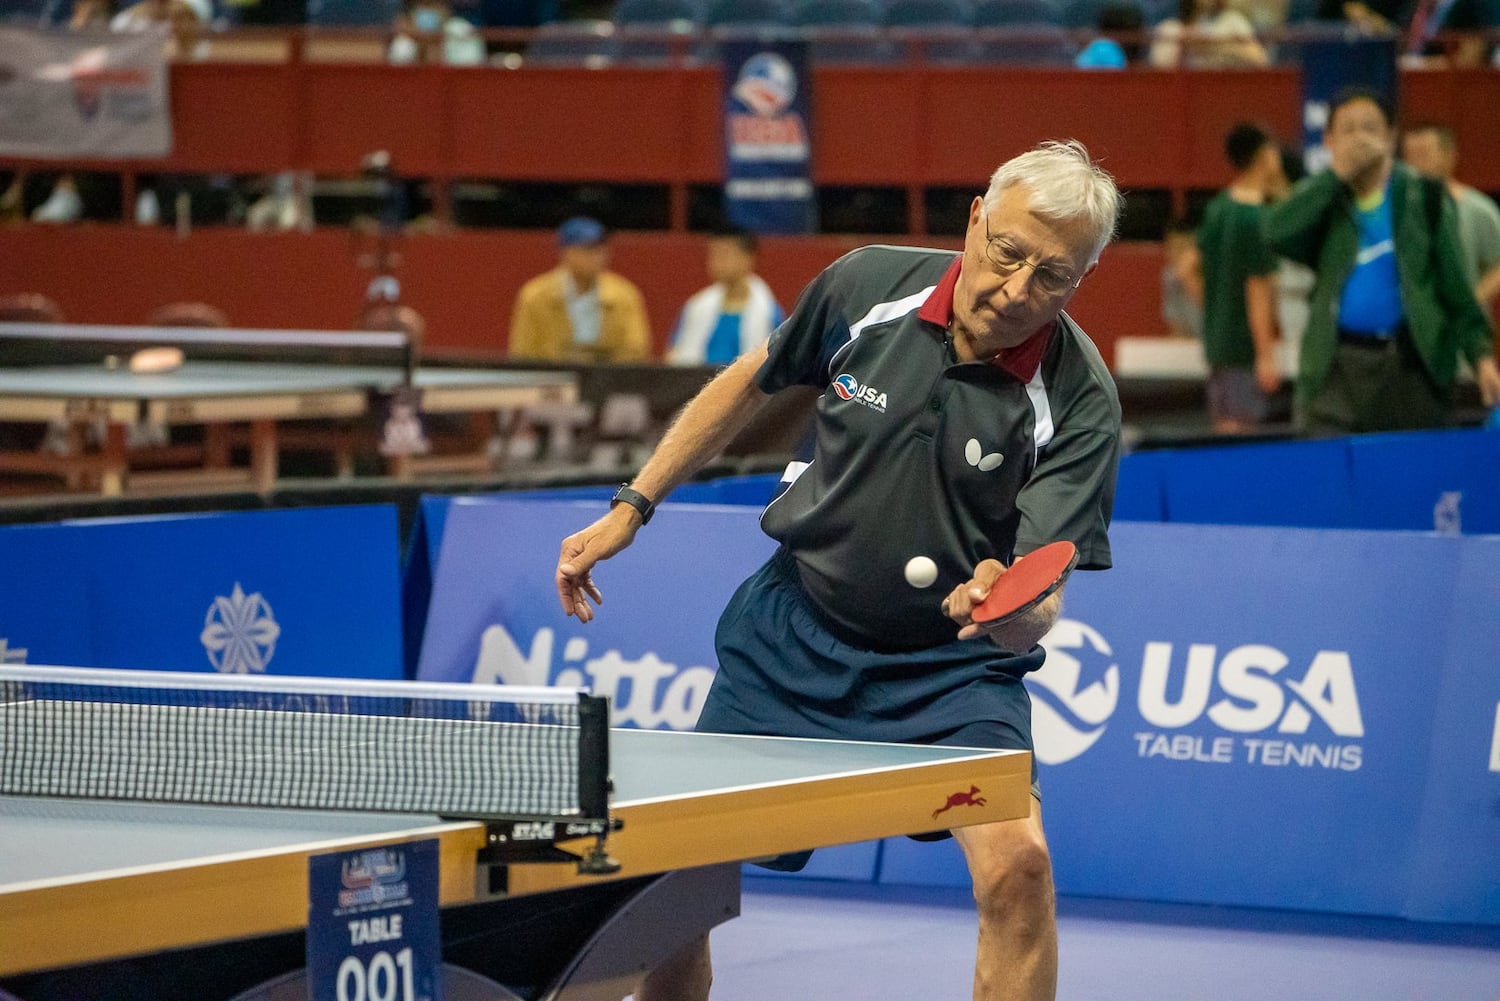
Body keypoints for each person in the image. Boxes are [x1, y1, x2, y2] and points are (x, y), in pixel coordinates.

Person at [554, 140, 1123, 1001]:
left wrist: (1006, 612)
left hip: (952, 672)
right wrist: (634, 502)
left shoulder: (1079, 398)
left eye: (1053, 276)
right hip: (794, 634)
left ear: (1082, 279)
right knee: (673, 877)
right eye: (1007, 253)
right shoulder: (868, 286)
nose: (1016, 291)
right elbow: (755, 378)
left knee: (1020, 869)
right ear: (974, 220)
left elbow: (1041, 595)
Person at [1264, 88, 1500, 434]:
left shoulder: (1425, 197)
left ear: (1391, 138)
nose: (1359, 138)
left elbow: (1457, 289)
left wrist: (1481, 358)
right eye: (1348, 129)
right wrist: (1334, 176)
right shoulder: (1322, 199)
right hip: (1334, 372)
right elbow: (1274, 233)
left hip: (1409, 371)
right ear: (1328, 140)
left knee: (1407, 482)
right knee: (1329, 478)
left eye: (1370, 128)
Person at [1196, 122, 1286, 433]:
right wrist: (1265, 355)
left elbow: (1191, 266)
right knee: (1243, 438)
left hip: (1217, 345)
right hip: (1244, 351)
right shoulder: (1259, 219)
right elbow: (1257, 289)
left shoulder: (1218, 208)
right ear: (1264, 156)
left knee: (1223, 432)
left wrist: (1213, 313)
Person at [509, 216, 652, 363]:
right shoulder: (536, 296)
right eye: (588, 249)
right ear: (565, 252)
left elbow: (635, 351)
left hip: (607, 381)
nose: (598, 256)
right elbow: (524, 352)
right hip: (552, 381)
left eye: (602, 248)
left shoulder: (624, 295)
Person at [1400, 122, 1500, 315]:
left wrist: (1471, 301)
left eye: (1423, 154)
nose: (1414, 164)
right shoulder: (1396, 209)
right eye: (1408, 156)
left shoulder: (1477, 209)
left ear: (1449, 156)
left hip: (1461, 330)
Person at [666, 228, 785, 366]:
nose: (716, 261)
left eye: (725, 254)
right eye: (713, 254)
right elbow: (674, 353)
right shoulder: (696, 306)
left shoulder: (769, 313)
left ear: (748, 258)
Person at [1149, 0, 1268, 68]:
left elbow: (1259, 59)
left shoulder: (1233, 21)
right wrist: (1183, 46)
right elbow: (1160, 70)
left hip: (1226, 90)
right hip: (1185, 97)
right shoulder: (1170, 27)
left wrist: (1212, 46)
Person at [1161, 216, 1204, 340]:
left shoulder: (1217, 274)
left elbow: (1218, 323)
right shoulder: (1170, 276)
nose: (1175, 253)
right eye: (1172, 247)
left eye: (1182, 247)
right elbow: (1178, 331)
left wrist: (1188, 277)